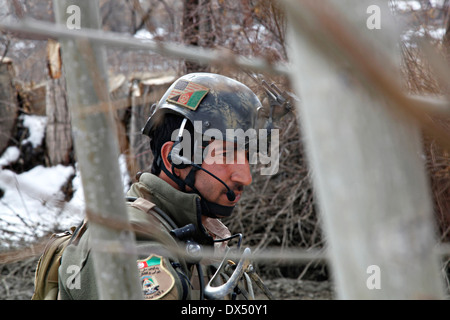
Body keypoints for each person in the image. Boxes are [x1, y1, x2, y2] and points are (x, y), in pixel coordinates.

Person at [58, 72, 265, 300]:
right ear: (174, 158)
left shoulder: (198, 230)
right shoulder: (130, 239)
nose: (246, 177)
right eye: (225, 155)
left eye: (246, 156)